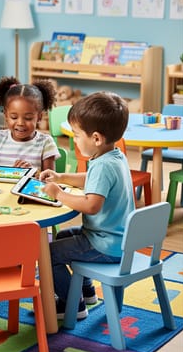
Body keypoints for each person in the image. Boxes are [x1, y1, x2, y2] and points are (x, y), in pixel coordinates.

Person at [40, 92, 135, 320]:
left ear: (96, 138)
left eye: (76, 135)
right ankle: (87, 291)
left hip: (105, 245)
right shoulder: (114, 156)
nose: (74, 140)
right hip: (118, 239)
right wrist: (61, 177)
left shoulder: (103, 166)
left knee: (47, 254)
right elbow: (92, 180)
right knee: (63, 236)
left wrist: (59, 194)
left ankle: (71, 305)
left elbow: (91, 205)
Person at [0, 75, 59, 170]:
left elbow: (50, 177)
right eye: (14, 117)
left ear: (39, 117)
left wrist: (30, 173)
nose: (20, 123)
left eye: (28, 118)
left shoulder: (46, 143)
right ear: (6, 115)